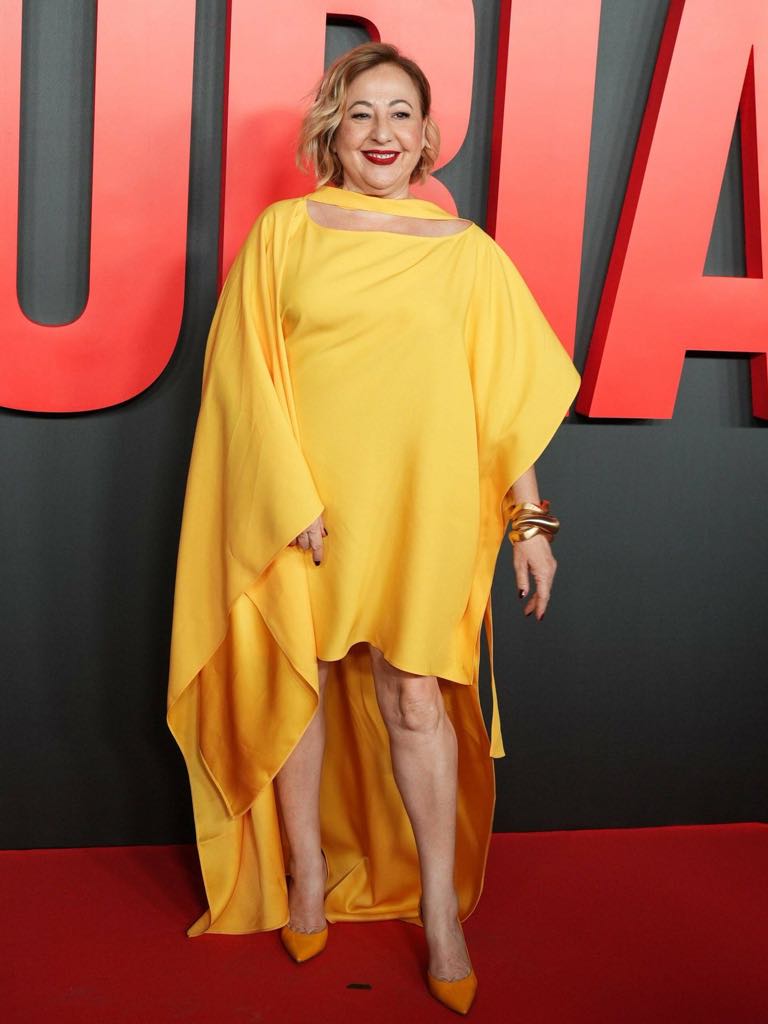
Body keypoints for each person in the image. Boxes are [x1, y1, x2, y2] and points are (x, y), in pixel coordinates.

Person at [166, 41, 580, 1016]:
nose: (381, 132)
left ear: (427, 135)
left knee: (414, 696)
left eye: (400, 114)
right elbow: (241, 377)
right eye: (361, 113)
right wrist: (285, 495)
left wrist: (530, 521)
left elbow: (503, 401)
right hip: (304, 503)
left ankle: (439, 910)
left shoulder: (467, 253)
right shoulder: (284, 233)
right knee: (303, 680)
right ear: (333, 130)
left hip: (425, 507)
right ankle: (308, 874)